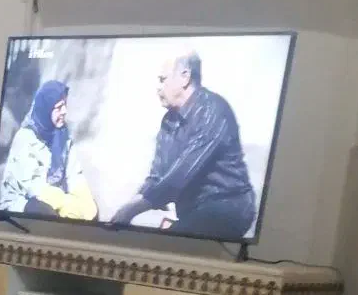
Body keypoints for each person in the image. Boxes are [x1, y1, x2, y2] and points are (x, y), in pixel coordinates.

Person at [110, 52, 256, 240]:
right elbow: (157, 177)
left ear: (185, 77)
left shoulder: (213, 109)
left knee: (161, 246)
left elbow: (181, 174)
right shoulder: (169, 120)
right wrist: (126, 208)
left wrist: (132, 210)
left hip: (227, 207)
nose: (157, 87)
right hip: (194, 212)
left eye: (162, 80)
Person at [0, 80, 98, 221]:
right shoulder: (25, 138)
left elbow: (74, 174)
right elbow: (32, 186)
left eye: (65, 105)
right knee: (45, 212)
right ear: (46, 109)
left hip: (52, 197)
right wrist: (65, 202)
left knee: (91, 211)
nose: (65, 111)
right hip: (22, 201)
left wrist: (84, 201)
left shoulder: (63, 134)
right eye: (59, 107)